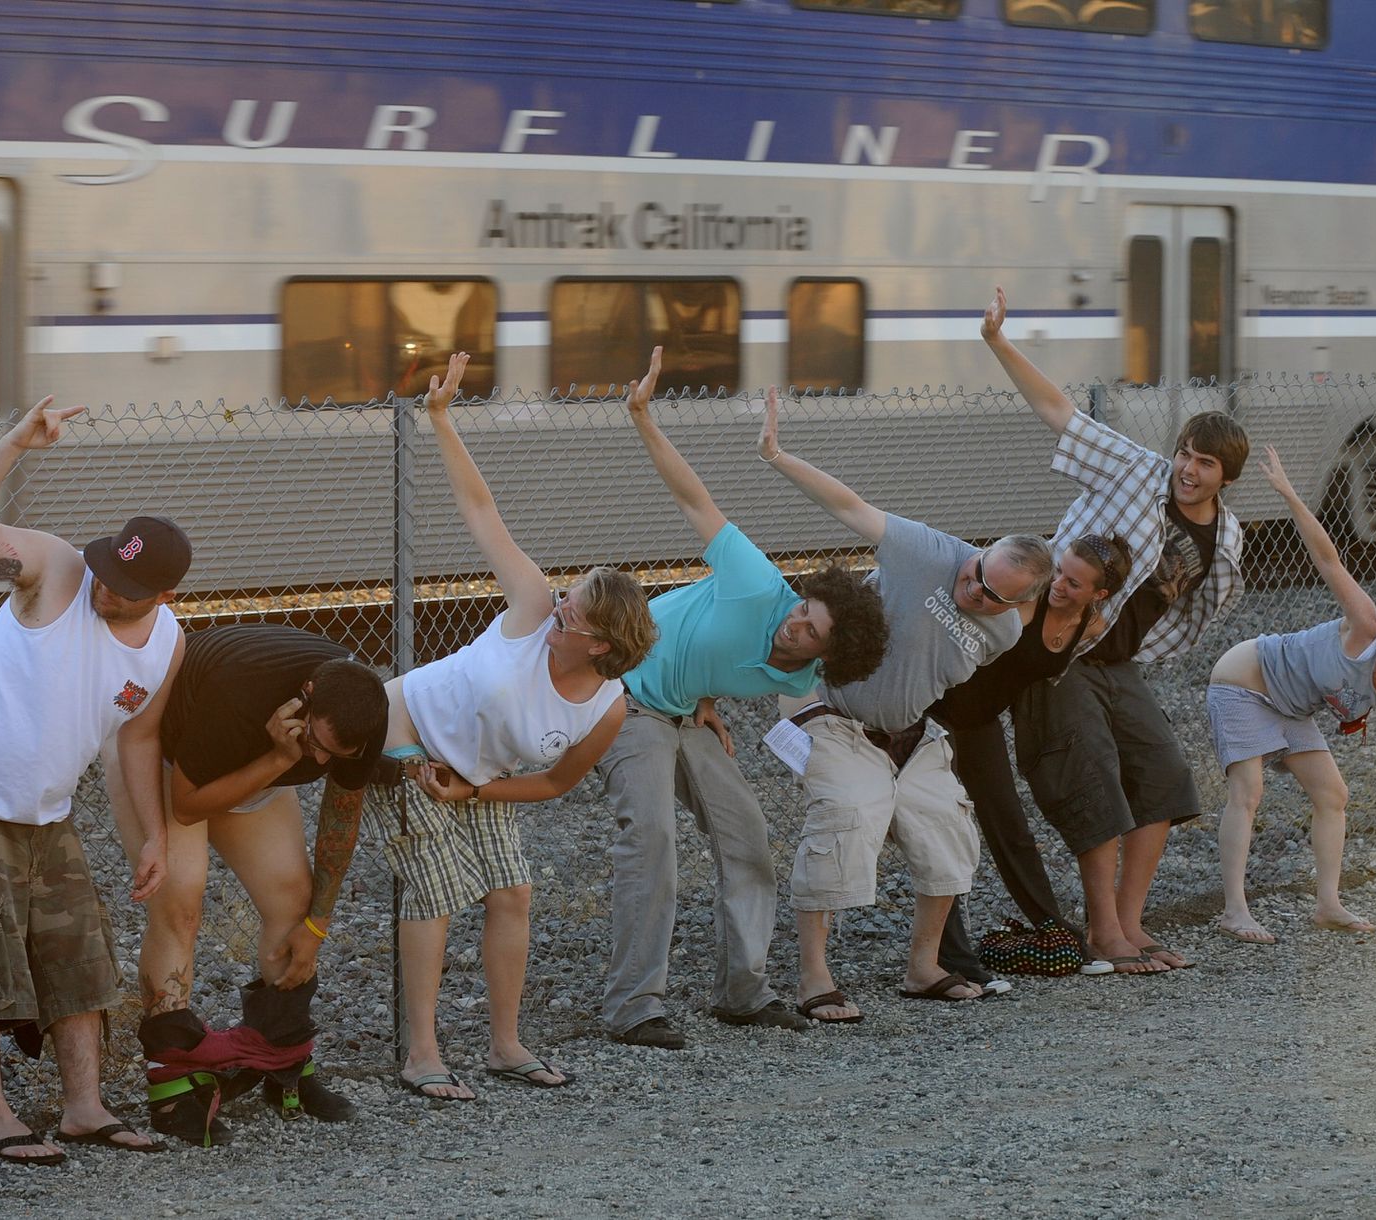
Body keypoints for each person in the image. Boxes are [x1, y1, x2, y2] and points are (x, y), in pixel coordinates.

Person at [368, 351, 658, 1100]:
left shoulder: (605, 704)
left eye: (576, 608)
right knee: (435, 890)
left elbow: (557, 781)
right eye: (568, 594)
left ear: (598, 643)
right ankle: (422, 1053)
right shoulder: (532, 609)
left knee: (512, 892)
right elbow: (481, 511)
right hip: (406, 731)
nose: (560, 601)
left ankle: (505, 1045)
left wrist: (476, 795)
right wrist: (441, 419)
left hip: (478, 778)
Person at [0, 394, 187, 1164]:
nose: (106, 590)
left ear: (163, 597)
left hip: (49, 813)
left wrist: (154, 836)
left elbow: (137, 739)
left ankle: (83, 1109)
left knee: (80, 960)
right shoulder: (60, 569)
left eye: (126, 589)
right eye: (107, 572)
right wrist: (14, 444)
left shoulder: (167, 644)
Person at [601, 350, 889, 1049]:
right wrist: (643, 417)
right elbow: (695, 498)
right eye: (804, 608)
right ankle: (634, 1006)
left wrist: (701, 695)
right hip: (624, 701)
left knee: (748, 837)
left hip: (682, 711)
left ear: (826, 654)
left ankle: (743, 991)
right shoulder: (758, 583)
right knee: (654, 840)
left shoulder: (794, 680)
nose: (796, 619)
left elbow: (718, 662)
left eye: (811, 628)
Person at [759, 386, 1053, 1016]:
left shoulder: (1003, 631)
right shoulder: (929, 552)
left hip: (908, 732)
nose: (973, 590)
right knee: (848, 815)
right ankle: (814, 976)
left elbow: (937, 675)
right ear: (979, 553)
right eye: (976, 573)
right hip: (833, 710)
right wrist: (780, 456)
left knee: (947, 826)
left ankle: (924, 966)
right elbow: (852, 508)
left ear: (1018, 603)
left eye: (992, 594)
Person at [984, 286, 1249, 975]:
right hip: (1060, 653)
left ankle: (1131, 925)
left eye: (1206, 464)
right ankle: (1104, 932)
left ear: (1226, 478)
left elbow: (1200, 605)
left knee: (1161, 774)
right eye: (1187, 454)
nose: (1188, 470)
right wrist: (1000, 344)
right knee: (1091, 773)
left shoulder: (1227, 538)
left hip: (1120, 663)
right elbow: (1060, 413)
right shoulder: (1136, 471)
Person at [1208, 447, 1376, 944]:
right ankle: (1234, 911)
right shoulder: (1368, 626)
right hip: (1247, 680)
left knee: (1334, 795)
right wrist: (1290, 494)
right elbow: (1328, 558)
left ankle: (1328, 904)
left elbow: (1345, 701)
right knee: (1248, 794)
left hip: (1291, 708)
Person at [118, 622, 387, 1127]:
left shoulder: (364, 711)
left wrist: (317, 928)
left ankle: (284, 1063)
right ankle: (171, 1091)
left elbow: (340, 821)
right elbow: (190, 803)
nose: (322, 759)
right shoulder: (240, 688)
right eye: (316, 742)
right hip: (169, 757)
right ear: (302, 701)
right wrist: (279, 758)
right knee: (180, 900)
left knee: (292, 900)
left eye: (336, 755)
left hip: (254, 763)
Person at [928, 533, 1134, 987]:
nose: (1059, 584)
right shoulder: (1025, 602)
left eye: (1075, 583)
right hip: (934, 713)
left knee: (1010, 827)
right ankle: (953, 960)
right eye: (1060, 571)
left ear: (1099, 596)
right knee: (940, 828)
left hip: (978, 724)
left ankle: (1058, 935)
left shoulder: (1090, 627)